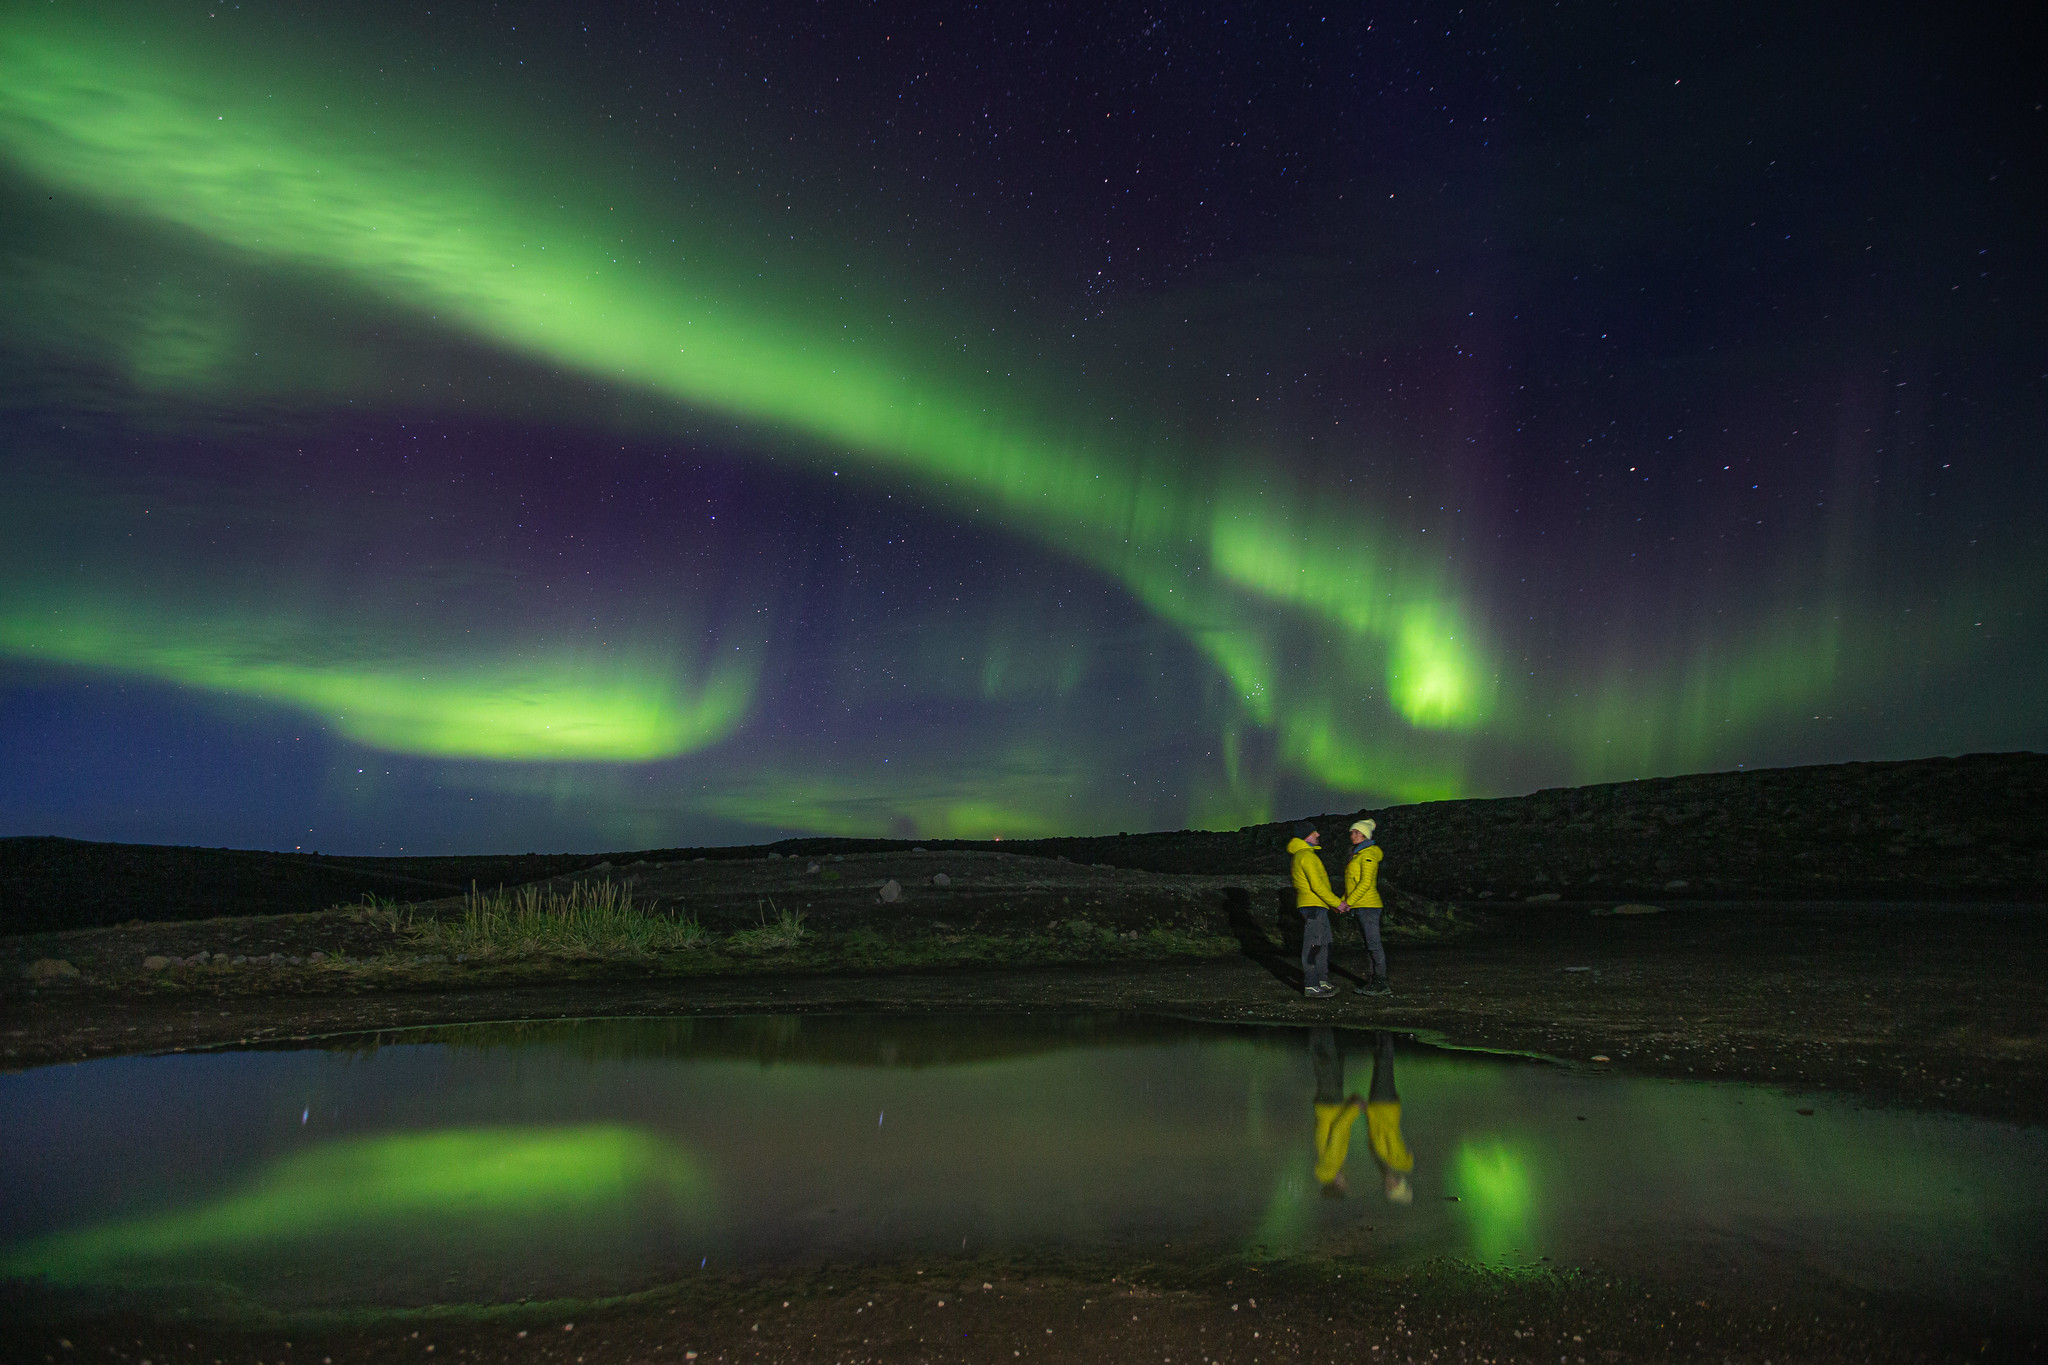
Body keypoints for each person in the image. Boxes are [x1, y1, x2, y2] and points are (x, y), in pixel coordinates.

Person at [1288, 820, 1342, 998]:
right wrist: (1336, 903)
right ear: (1306, 836)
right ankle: (1312, 985)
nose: (1318, 835)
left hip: (1318, 905)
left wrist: (1329, 904)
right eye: (1314, 832)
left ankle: (1321, 981)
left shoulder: (1307, 855)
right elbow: (1317, 886)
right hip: (1313, 906)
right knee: (1313, 945)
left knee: (1323, 943)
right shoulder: (1306, 856)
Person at [1310, 1027, 1362, 1197]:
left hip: (1330, 1107)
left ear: (1338, 1185)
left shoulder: (1331, 1166)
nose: (1347, 1180)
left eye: (1345, 1184)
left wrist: (1354, 1109)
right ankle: (1319, 1028)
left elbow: (1339, 1130)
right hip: (1327, 1109)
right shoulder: (1328, 1166)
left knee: (1328, 1061)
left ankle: (1322, 1024)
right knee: (1327, 1064)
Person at [1365, 1030, 1414, 1203]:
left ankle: (1381, 1033)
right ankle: (1385, 1032)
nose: (1388, 1183)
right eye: (1393, 1185)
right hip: (1385, 1107)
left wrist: (1367, 1111)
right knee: (1384, 1064)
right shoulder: (1398, 1161)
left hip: (1377, 1107)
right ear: (1400, 1182)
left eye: (1387, 1187)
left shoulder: (1384, 1163)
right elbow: (1389, 1131)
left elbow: (1374, 1133)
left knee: (1380, 1064)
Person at [1344, 818, 1391, 996]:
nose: (1353, 835)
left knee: (1374, 944)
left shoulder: (1368, 854)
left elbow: (1365, 884)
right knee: (1369, 945)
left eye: (1357, 832)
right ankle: (1373, 981)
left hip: (1369, 906)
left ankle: (1381, 982)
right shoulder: (1357, 854)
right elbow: (1352, 884)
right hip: (1360, 905)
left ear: (1365, 835)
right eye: (1352, 832)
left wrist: (1347, 903)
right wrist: (1342, 902)